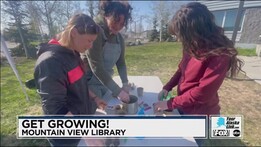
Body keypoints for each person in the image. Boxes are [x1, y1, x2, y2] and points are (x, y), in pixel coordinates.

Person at [153, 2, 243, 145]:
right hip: (184, 104)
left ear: (195, 30)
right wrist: (167, 87)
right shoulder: (192, 44)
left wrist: (170, 103)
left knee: (190, 143)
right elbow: (182, 69)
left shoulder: (220, 54)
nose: (179, 39)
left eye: (181, 35)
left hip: (200, 114)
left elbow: (203, 93)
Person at [34, 13, 106, 146]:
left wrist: (95, 98)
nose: (90, 46)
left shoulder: (74, 53)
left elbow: (80, 83)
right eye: (89, 40)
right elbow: (55, 109)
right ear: (74, 32)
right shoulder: (51, 62)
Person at [81, 1, 133, 109]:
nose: (118, 27)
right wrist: (118, 91)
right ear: (106, 16)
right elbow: (97, 68)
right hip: (89, 85)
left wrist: (125, 83)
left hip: (106, 83)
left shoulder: (119, 39)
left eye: (122, 24)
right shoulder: (96, 33)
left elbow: (121, 63)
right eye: (115, 21)